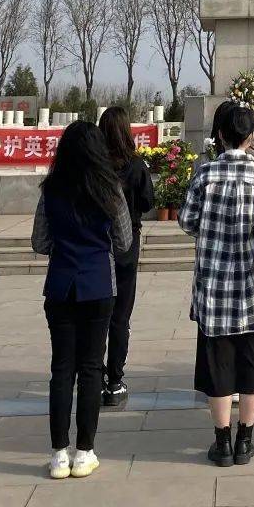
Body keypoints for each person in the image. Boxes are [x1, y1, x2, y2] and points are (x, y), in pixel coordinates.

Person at [179, 102, 254, 468]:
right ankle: (246, 440)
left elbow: (187, 221)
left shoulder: (205, 174)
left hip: (214, 292)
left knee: (219, 368)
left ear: (220, 135)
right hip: (253, 291)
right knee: (253, 364)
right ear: (252, 137)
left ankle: (222, 442)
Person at [31, 120, 132, 480]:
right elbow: (123, 242)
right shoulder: (110, 190)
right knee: (91, 369)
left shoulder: (51, 190)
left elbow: (40, 243)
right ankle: (85, 451)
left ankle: (59, 453)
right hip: (98, 286)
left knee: (61, 370)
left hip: (60, 286)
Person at [98, 106, 155, 408]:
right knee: (120, 316)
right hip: (127, 244)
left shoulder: (94, 166)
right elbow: (147, 201)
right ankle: (115, 380)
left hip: (95, 244)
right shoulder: (135, 165)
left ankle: (94, 375)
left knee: (96, 315)